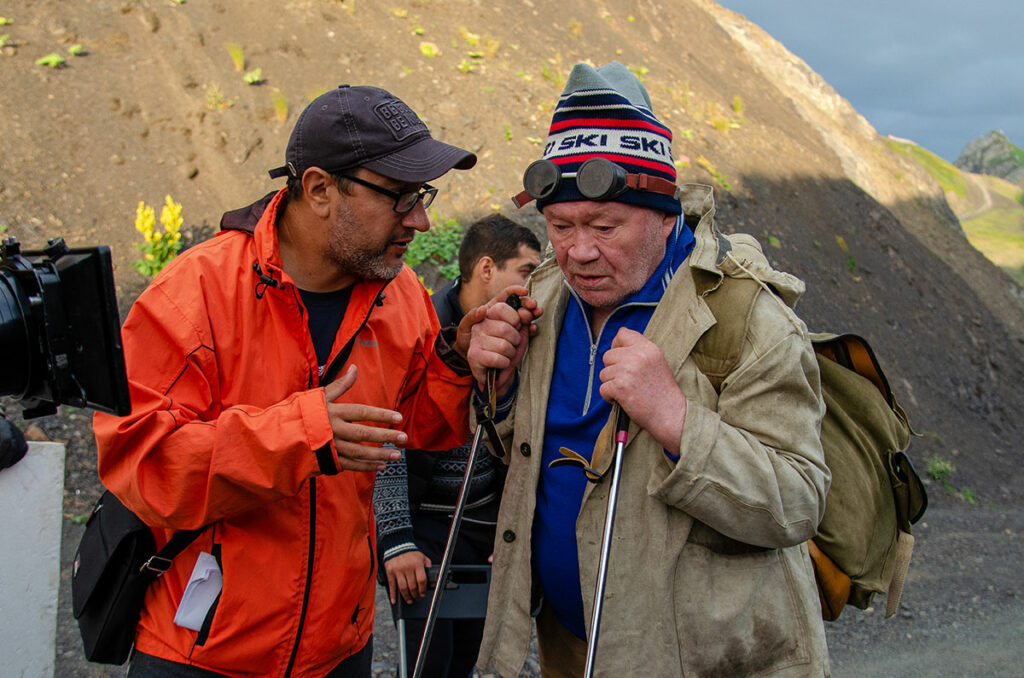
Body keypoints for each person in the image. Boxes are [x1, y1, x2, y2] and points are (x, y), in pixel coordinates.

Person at [92, 84, 483, 678]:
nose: (422, 221)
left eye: (423, 196)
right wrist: (303, 434)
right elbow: (143, 469)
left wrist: (459, 364)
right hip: (207, 652)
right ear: (321, 189)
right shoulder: (191, 296)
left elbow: (415, 425)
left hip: (340, 649)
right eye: (400, 198)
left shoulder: (401, 295)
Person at [467, 62, 831, 677]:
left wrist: (677, 420)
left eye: (606, 227)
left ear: (666, 216)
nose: (580, 251)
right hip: (574, 651)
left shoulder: (748, 319)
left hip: (708, 664)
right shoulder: (545, 303)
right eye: (560, 227)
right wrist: (500, 393)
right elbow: (524, 460)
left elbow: (797, 501)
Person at [372, 214, 541, 677]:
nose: (535, 286)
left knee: (470, 656)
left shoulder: (526, 334)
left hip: (483, 523)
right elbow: (389, 432)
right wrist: (396, 541)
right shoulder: (419, 327)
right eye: (526, 272)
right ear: (487, 268)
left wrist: (510, 531)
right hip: (427, 526)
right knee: (427, 660)